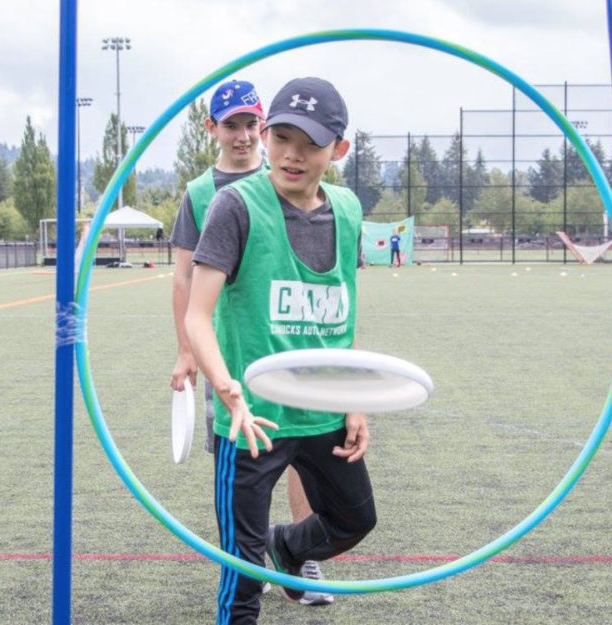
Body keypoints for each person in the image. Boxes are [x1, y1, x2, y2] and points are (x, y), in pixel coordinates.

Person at [185, 76, 376, 625]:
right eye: (282, 137)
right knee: (242, 569)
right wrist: (228, 392)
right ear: (265, 136)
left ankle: (288, 548)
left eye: (311, 143)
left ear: (338, 149)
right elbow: (198, 315)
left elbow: (343, 311)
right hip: (252, 418)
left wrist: (354, 400)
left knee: (353, 521)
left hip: (322, 408)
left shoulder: (347, 210)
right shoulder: (235, 206)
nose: (293, 155)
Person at [168, 78, 334, 607]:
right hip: (231, 353)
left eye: (249, 125)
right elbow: (184, 282)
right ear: (211, 128)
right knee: (244, 458)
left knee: (301, 451)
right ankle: (247, 560)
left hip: (290, 341)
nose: (242, 137)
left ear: (262, 128)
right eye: (231, 125)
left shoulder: (287, 176)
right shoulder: (201, 194)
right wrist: (187, 352)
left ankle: (300, 558)